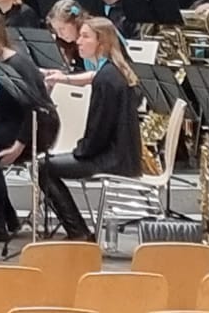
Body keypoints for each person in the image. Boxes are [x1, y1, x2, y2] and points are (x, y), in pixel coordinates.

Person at [37, 16, 142, 242]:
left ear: (101, 42)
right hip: (117, 153)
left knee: (43, 167)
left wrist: (80, 151)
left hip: (113, 158)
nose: (79, 42)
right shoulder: (111, 72)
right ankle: (78, 231)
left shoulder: (106, 79)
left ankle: (78, 232)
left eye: (85, 37)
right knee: (47, 164)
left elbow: (99, 131)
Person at [0, 13, 57, 242]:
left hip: (34, 126)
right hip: (8, 124)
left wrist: (19, 145)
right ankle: (8, 217)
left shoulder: (17, 64)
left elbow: (34, 108)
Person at [41, 0, 93, 85]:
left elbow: (99, 74)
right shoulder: (69, 43)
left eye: (62, 29)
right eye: (56, 30)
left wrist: (66, 78)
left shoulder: (95, 35)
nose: (59, 34)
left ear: (76, 22)